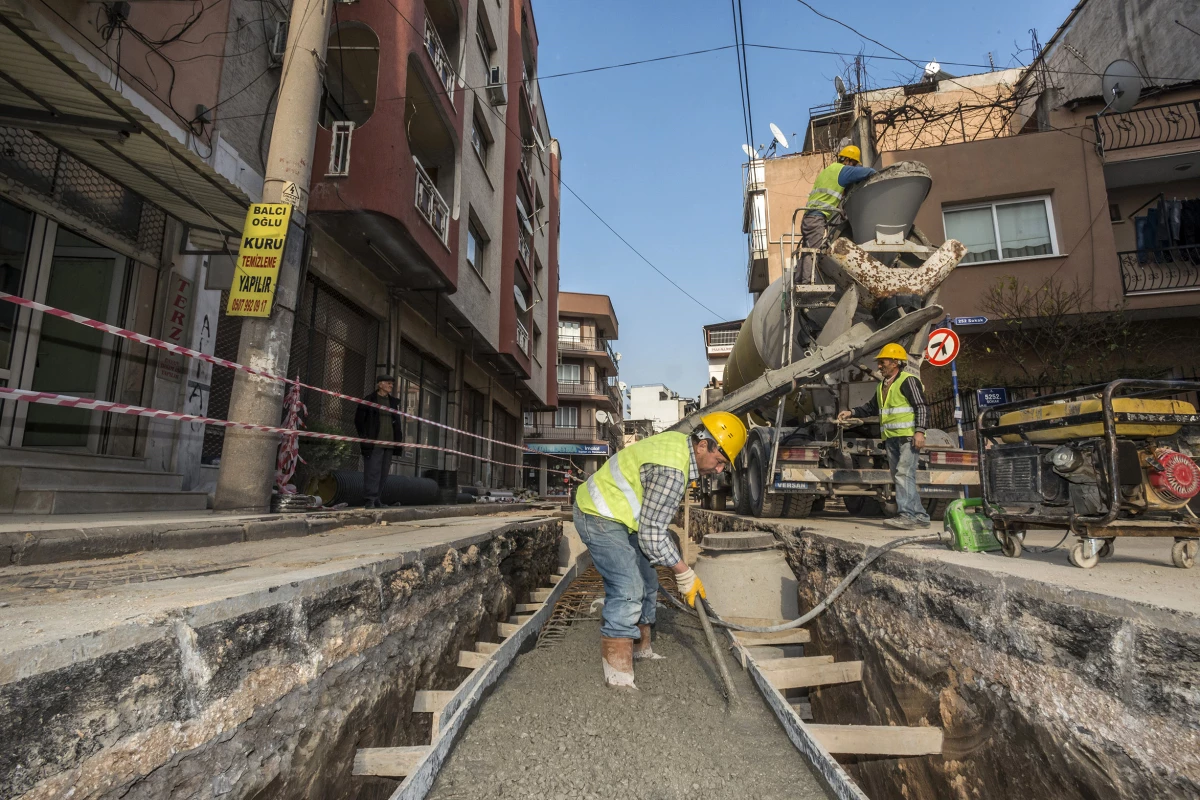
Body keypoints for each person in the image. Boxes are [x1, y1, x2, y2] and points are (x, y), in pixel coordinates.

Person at [573, 411, 748, 688]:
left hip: (624, 518)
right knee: (628, 588)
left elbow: (651, 530)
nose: (719, 470)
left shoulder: (678, 448)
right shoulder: (673, 470)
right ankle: (617, 676)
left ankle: (642, 647)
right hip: (598, 513)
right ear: (703, 445)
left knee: (648, 580)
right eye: (719, 461)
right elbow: (653, 535)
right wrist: (684, 573)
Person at [838, 343, 931, 530]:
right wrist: (851, 412)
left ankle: (906, 515)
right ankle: (920, 515)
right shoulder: (883, 385)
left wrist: (920, 431)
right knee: (900, 475)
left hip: (908, 437)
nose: (879, 366)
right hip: (891, 437)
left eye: (883, 362)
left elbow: (921, 406)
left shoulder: (908, 380)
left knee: (904, 474)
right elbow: (871, 407)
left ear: (896, 362)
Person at [800, 144, 876, 283]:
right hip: (816, 217)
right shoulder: (844, 171)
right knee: (813, 251)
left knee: (808, 250)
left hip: (810, 217)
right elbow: (870, 172)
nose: (853, 167)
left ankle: (801, 278)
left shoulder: (828, 170)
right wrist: (857, 170)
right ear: (849, 161)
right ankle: (807, 282)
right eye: (853, 164)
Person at [354, 374, 403, 508]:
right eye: (388, 383)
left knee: (383, 472)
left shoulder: (393, 403)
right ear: (380, 384)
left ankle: (377, 499)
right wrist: (365, 437)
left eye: (392, 384)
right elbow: (359, 420)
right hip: (375, 443)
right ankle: (369, 499)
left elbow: (397, 423)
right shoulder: (369, 400)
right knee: (372, 471)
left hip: (390, 443)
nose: (391, 386)